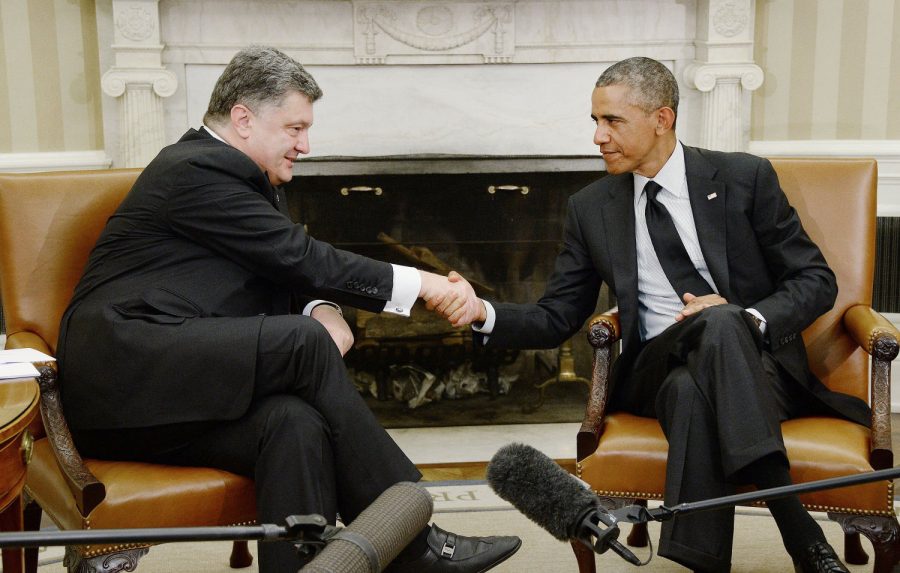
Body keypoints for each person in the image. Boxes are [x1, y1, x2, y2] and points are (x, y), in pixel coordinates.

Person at [57, 46, 520, 573]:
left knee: (293, 423)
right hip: (123, 374)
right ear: (244, 119)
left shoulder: (246, 179)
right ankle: (412, 540)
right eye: (295, 128)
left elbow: (278, 263)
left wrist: (321, 305)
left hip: (176, 388)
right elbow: (297, 256)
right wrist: (425, 284)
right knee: (302, 343)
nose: (306, 144)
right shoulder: (195, 170)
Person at [437, 57, 870, 573]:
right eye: (594, 121)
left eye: (613, 121)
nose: (598, 136)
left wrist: (749, 317)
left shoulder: (742, 177)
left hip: (754, 369)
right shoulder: (591, 207)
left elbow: (815, 280)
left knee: (705, 361)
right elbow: (557, 316)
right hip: (652, 367)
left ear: (662, 119)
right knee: (713, 325)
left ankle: (701, 562)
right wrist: (481, 311)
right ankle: (801, 535)